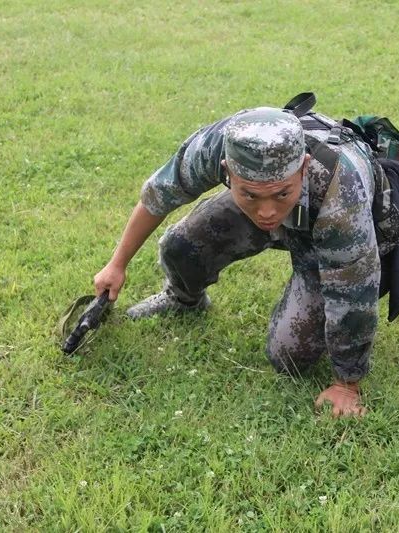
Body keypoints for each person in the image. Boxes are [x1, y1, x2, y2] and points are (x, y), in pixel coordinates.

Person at [93, 106, 381, 418]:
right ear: (227, 171)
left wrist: (346, 384)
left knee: (288, 354)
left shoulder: (341, 195)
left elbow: (354, 290)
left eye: (280, 194)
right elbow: (158, 194)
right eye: (251, 195)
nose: (267, 212)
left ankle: (280, 200)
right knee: (181, 245)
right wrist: (117, 264)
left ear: (304, 167)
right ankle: (184, 300)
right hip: (291, 202)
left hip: (325, 228)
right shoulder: (218, 144)